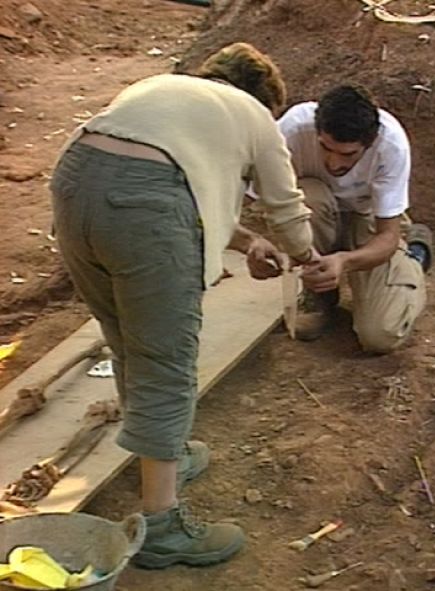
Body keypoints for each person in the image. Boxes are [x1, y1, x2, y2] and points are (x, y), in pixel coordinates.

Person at [50, 42, 316, 568]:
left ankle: (156, 450)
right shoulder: (256, 117)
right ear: (264, 100)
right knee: (167, 363)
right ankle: (163, 527)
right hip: (146, 209)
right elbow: (284, 207)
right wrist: (308, 257)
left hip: (74, 184)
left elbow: (158, 177)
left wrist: (246, 241)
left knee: (126, 336)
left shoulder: (160, 89)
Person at [275, 84, 432, 353]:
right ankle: (318, 294)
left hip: (367, 216)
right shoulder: (291, 129)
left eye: (347, 154)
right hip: (318, 211)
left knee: (381, 335)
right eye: (325, 147)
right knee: (304, 198)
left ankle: (416, 254)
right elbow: (268, 200)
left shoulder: (391, 145)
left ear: (369, 143)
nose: (333, 163)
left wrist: (344, 261)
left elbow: (387, 235)